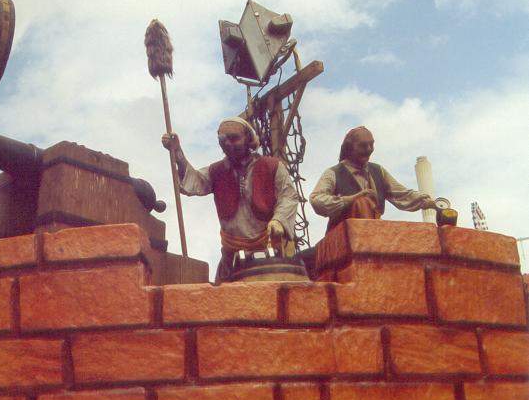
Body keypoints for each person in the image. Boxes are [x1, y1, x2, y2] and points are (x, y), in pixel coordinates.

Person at [162, 117, 298, 281]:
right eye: (222, 139)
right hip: (232, 258)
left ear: (248, 138)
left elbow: (288, 196)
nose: (228, 143)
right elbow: (193, 182)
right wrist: (177, 153)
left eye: (234, 138)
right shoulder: (216, 171)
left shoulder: (272, 166)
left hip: (271, 256)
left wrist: (279, 220)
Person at [309, 126, 438, 234]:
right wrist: (351, 199)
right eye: (363, 145)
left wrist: (430, 203)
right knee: (362, 202)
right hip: (343, 239)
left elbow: (402, 194)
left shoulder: (378, 171)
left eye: (371, 144)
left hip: (374, 237)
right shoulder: (333, 173)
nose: (369, 149)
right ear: (349, 148)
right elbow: (316, 200)